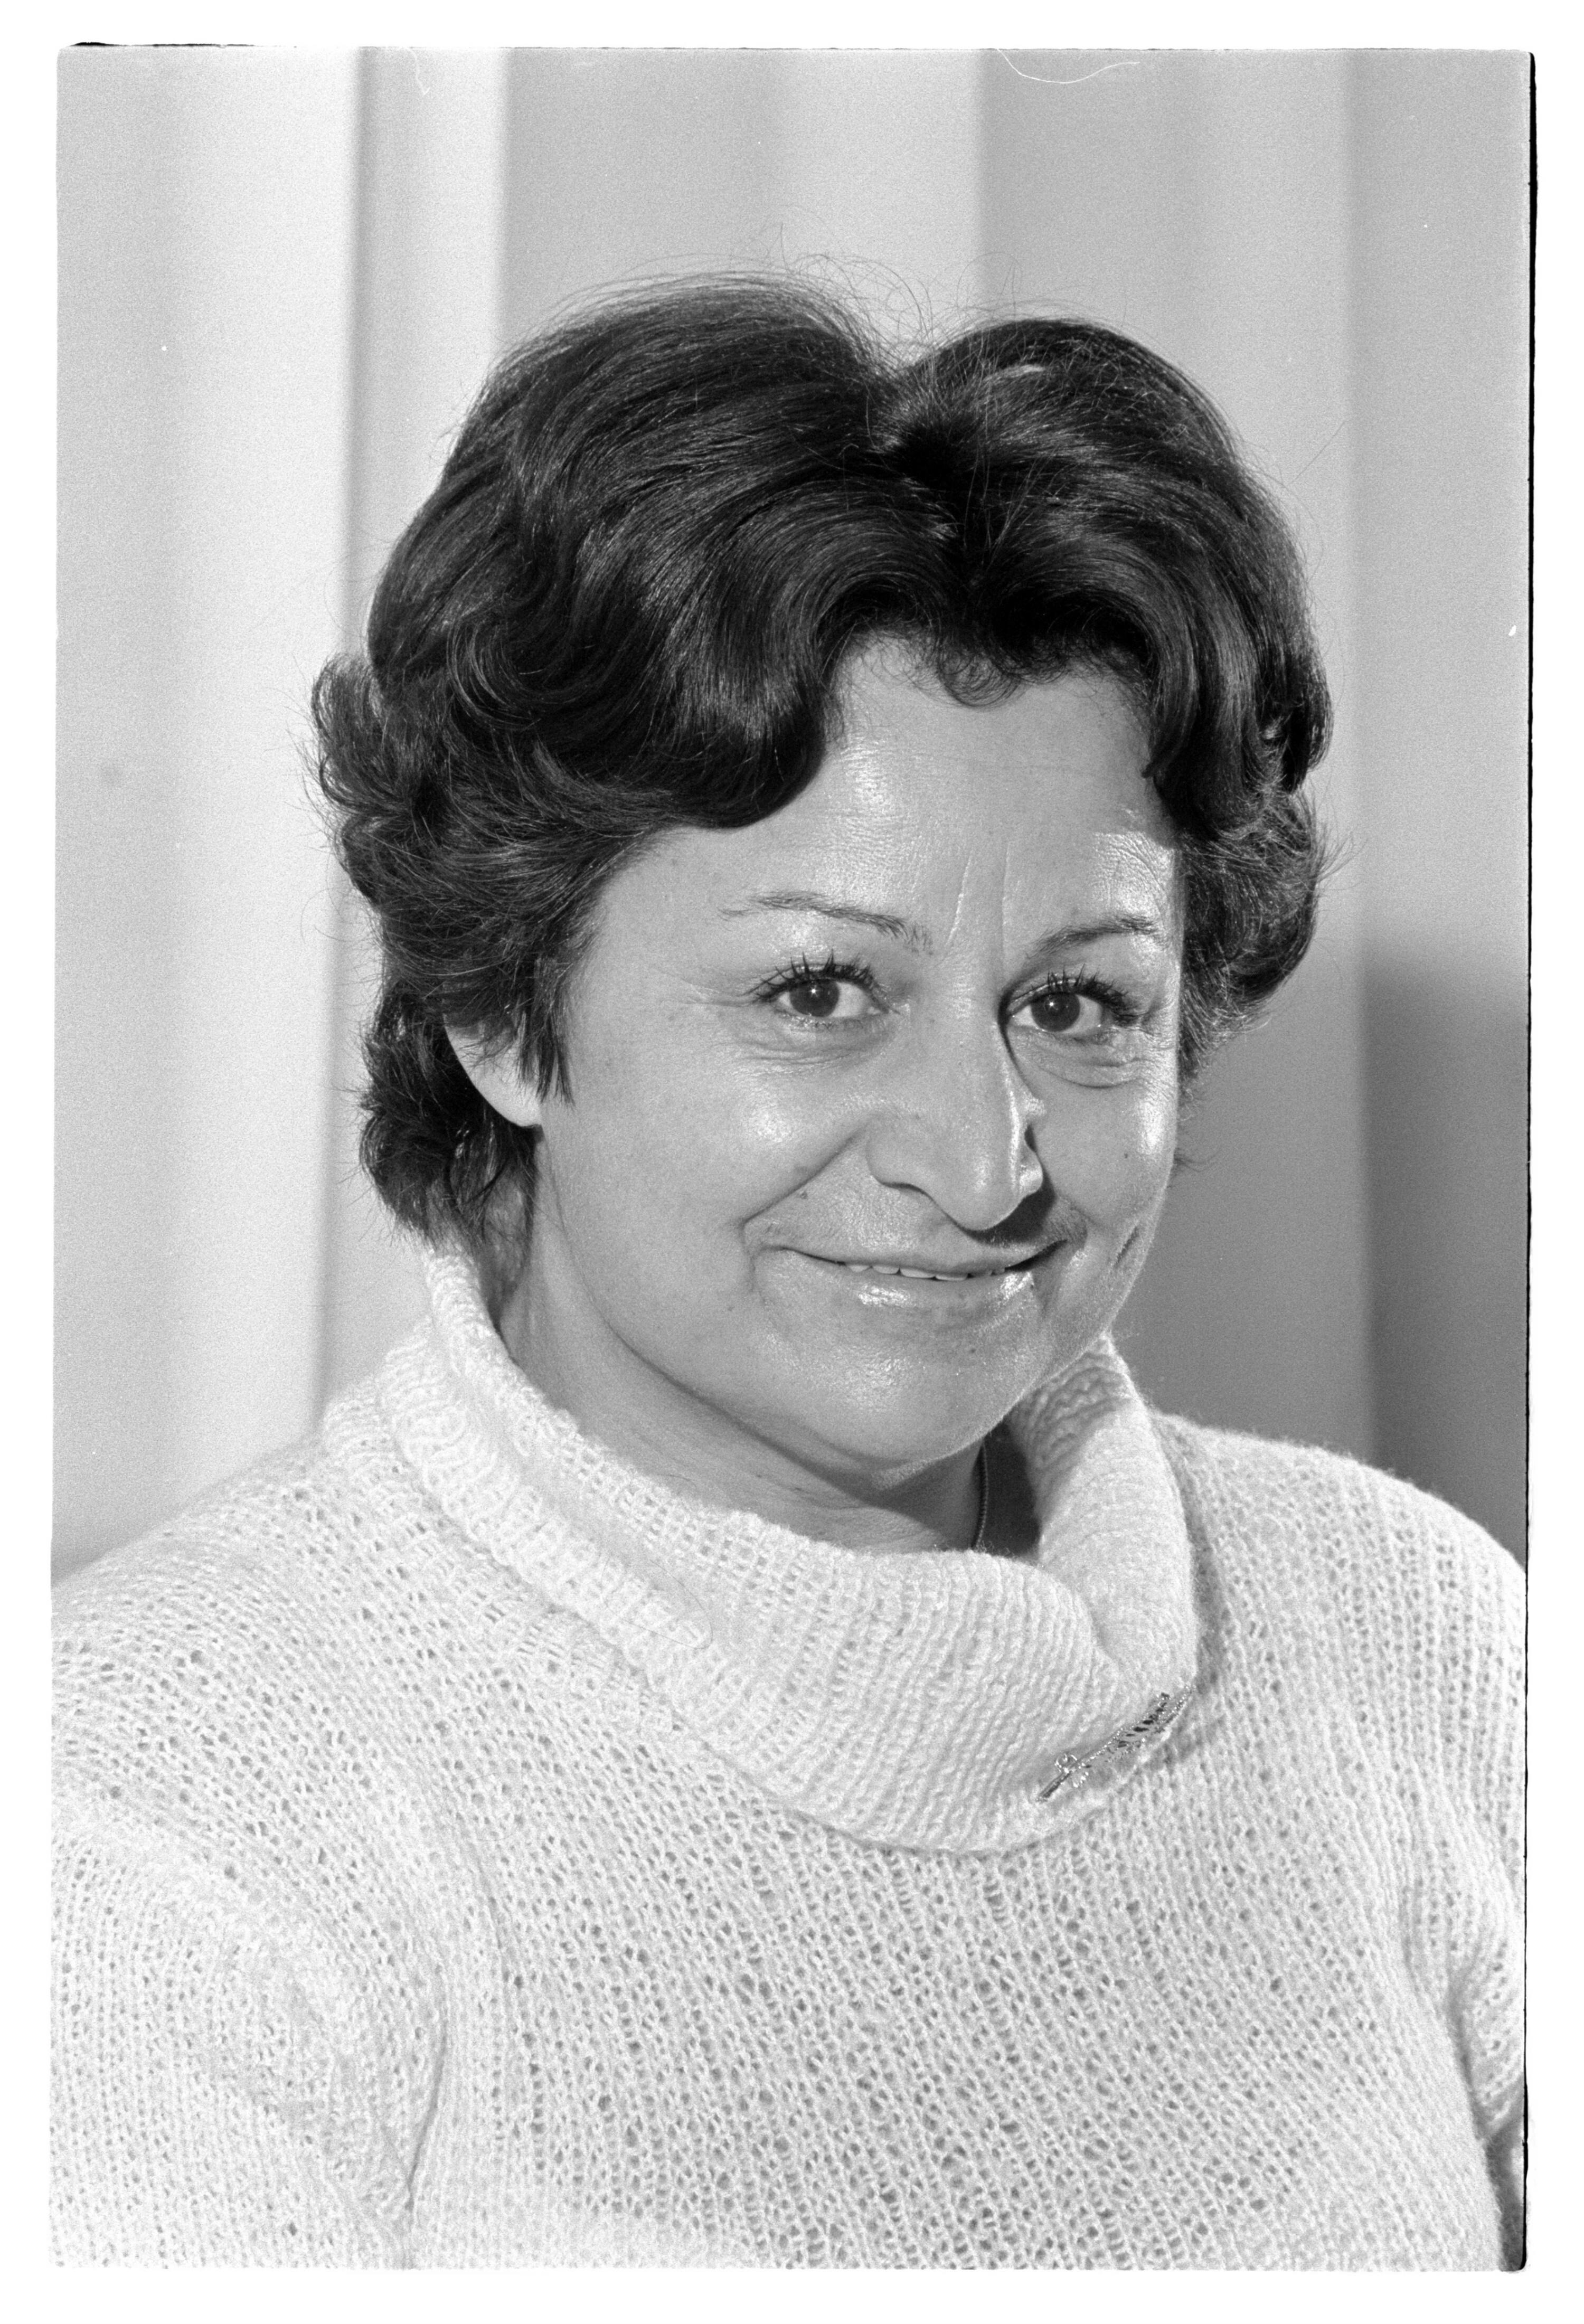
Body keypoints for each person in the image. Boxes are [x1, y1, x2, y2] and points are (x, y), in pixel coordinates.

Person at [51, 278, 1523, 2269]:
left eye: (1082, 1004)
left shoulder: (1416, 1640)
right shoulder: (150, 1812)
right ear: (498, 1004)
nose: (985, 1161)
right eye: (822, 990)